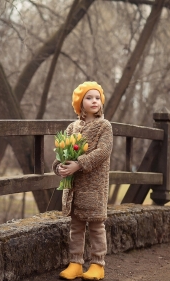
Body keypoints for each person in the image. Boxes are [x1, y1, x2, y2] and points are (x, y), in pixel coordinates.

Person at [53, 81, 113, 280]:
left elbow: (103, 152)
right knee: (76, 226)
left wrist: (78, 164)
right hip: (74, 188)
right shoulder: (72, 128)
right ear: (80, 103)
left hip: (94, 186)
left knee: (96, 226)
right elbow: (62, 152)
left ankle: (97, 264)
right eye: (89, 97)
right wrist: (59, 167)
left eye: (97, 98)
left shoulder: (104, 126)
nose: (94, 101)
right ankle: (75, 263)